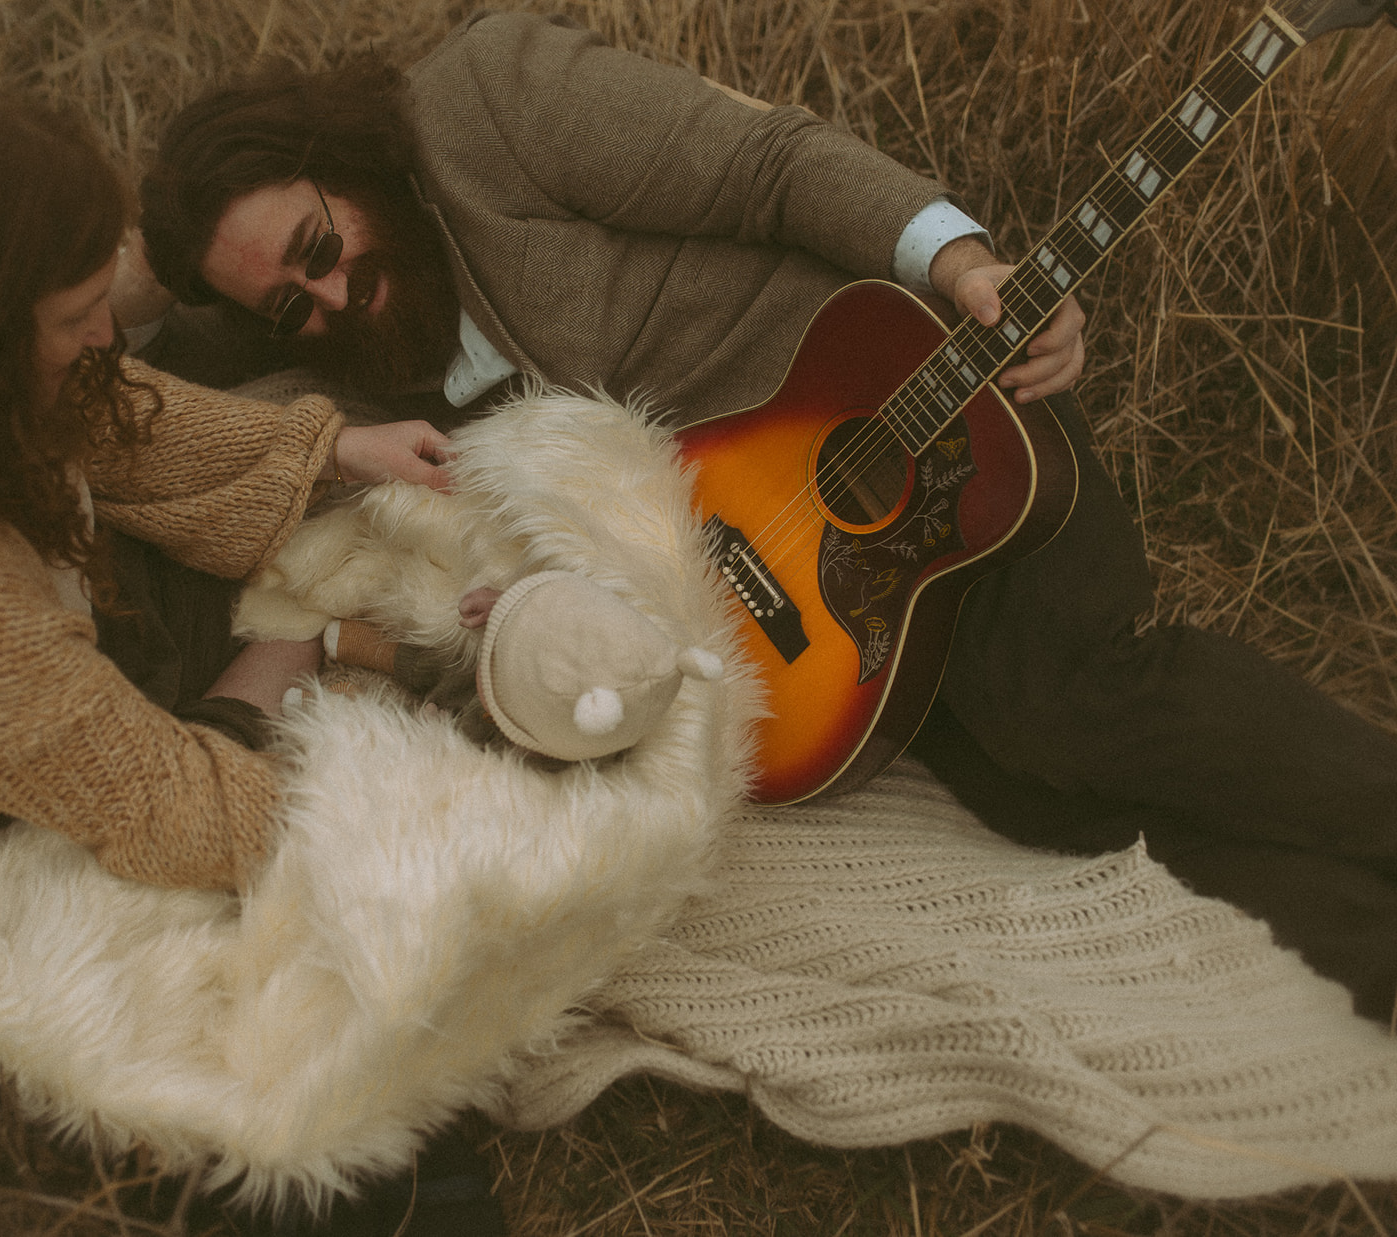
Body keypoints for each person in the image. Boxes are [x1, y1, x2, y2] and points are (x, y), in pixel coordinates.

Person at [128, 11, 1397, 1021]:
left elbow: (766, 166)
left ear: (341, 160)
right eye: (287, 303)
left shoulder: (483, 102)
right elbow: (138, 404)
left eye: (319, 243)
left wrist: (964, 266)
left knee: (1065, 704)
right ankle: (1367, 943)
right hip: (796, 599)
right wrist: (277, 396)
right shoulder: (328, 369)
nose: (333, 294)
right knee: (1026, 800)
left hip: (899, 412)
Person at [0, 65, 504, 1236]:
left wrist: (336, 448)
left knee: (295, 577)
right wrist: (397, 783)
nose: (109, 331)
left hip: (25, 706)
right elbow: (176, 812)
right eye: (77, 313)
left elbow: (122, 417)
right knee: (303, 1095)